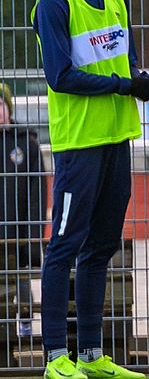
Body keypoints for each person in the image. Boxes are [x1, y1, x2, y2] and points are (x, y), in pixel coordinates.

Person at [31, 0, 149, 379]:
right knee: (64, 247)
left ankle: (92, 356)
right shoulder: (55, 0)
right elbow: (61, 76)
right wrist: (126, 85)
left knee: (102, 247)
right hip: (79, 144)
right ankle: (56, 358)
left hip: (118, 138)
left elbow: (126, 64)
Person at [0, 82, 48, 338]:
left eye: (0, 105)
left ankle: (26, 318)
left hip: (17, 230)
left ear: (8, 108)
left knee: (20, 276)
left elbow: (37, 190)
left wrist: (33, 232)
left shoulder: (26, 142)